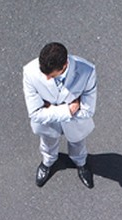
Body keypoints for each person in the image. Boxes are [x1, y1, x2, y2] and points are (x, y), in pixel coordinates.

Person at [22, 42, 97, 188]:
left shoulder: (87, 71)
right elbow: (35, 113)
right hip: (50, 124)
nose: (46, 79)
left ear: (65, 65)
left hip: (73, 123)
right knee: (48, 144)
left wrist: (49, 108)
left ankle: (80, 163)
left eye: (51, 75)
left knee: (78, 143)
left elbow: (87, 111)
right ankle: (48, 162)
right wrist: (69, 110)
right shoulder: (30, 72)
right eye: (44, 74)